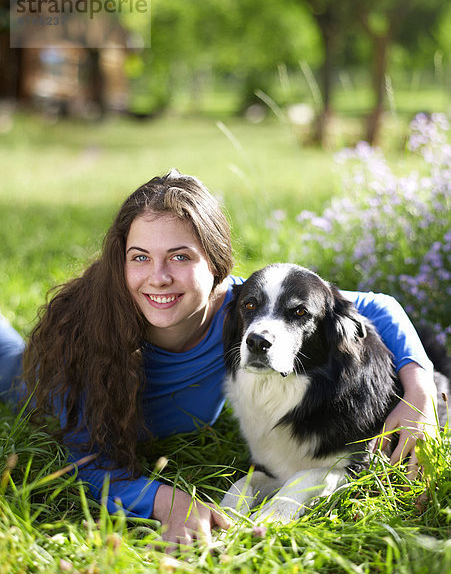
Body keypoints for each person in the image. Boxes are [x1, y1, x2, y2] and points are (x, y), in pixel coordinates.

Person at [2, 170, 437, 549]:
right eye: (140, 257)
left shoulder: (245, 308)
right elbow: (87, 464)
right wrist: (169, 501)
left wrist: (419, 393)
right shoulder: (83, 344)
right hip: (24, 381)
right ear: (121, 263)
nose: (159, 276)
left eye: (180, 256)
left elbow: (378, 306)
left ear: (218, 267)